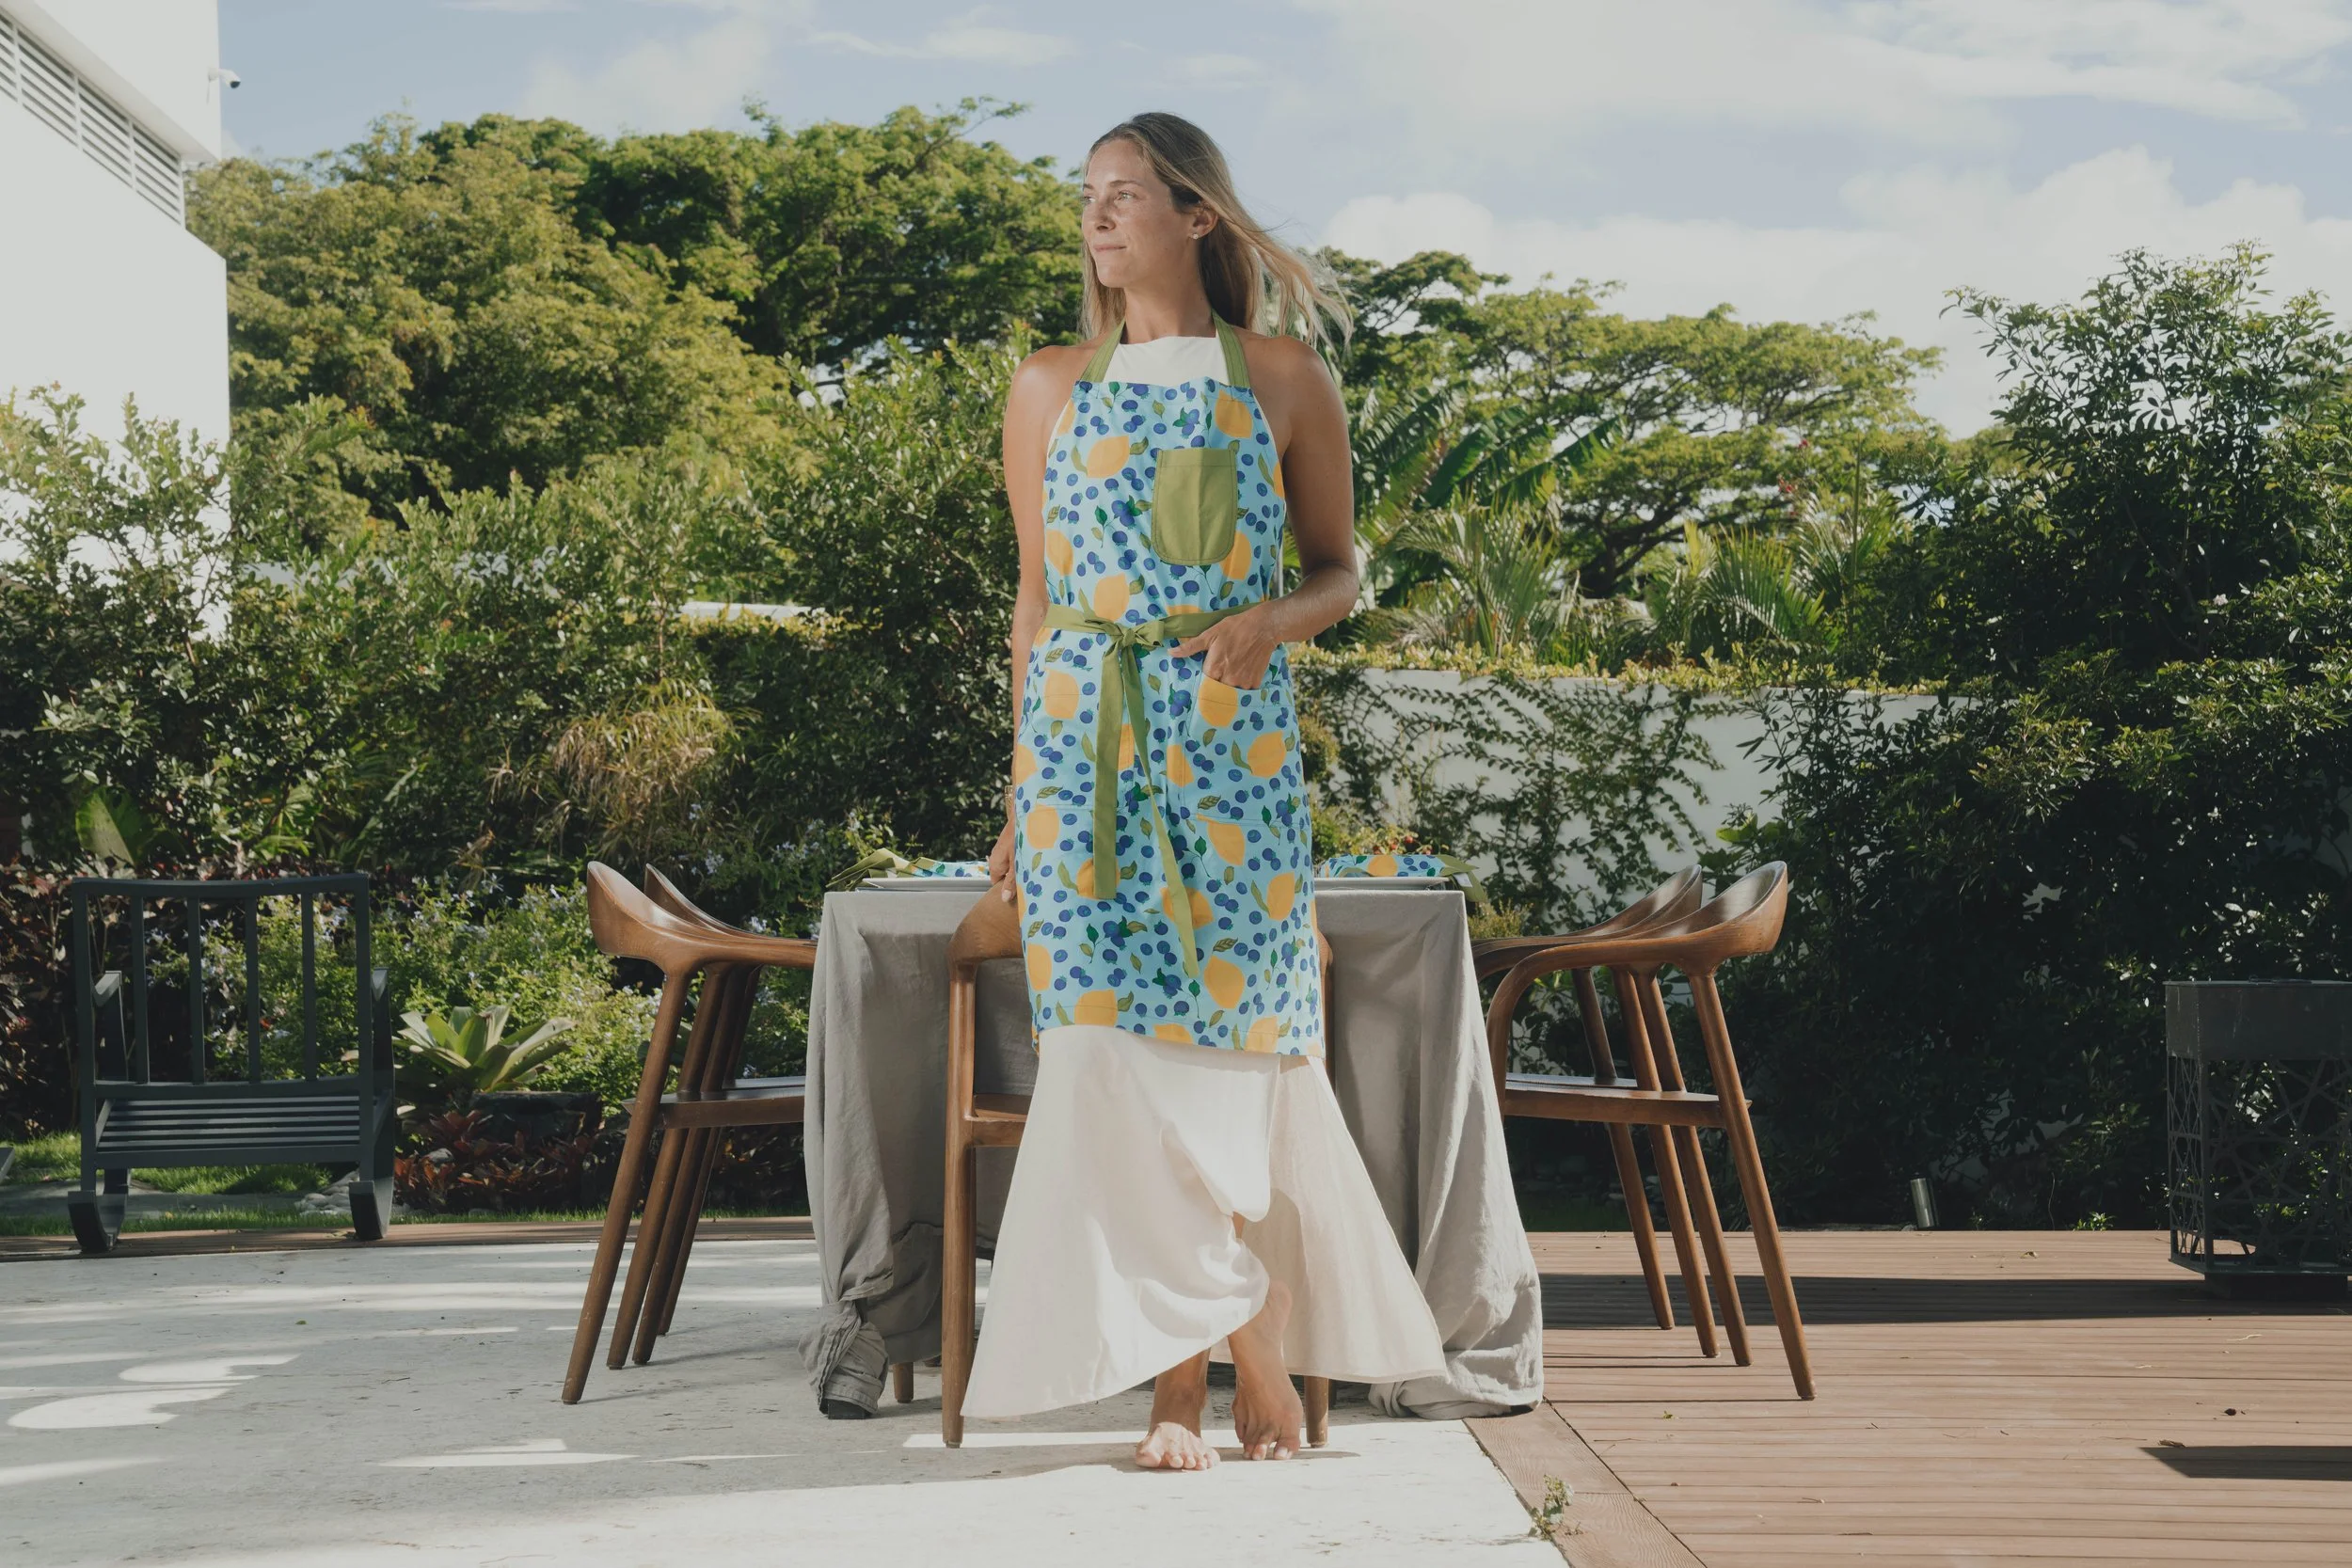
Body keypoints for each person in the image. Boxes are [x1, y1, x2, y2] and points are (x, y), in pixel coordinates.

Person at [963, 113, 1447, 1471]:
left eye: (1127, 197)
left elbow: (1342, 570)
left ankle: (1227, 1338)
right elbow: (1036, 603)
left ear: (1198, 218)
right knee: (1106, 1062)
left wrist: (1270, 626)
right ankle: (1211, 1359)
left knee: (1237, 1048)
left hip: (1231, 754)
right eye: (1088, 199)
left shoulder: (1286, 377)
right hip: (1080, 752)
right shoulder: (1047, 383)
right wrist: (1018, 786)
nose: (1098, 219)